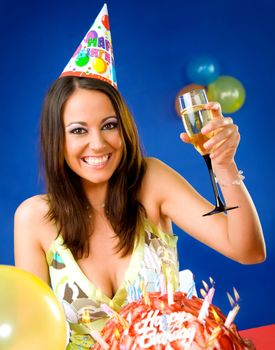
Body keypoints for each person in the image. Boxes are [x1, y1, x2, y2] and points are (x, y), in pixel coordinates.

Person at [14, 75, 265, 349]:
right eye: (78, 130)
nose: (98, 144)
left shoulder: (152, 181)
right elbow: (33, 335)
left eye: (109, 125)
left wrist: (224, 164)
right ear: (56, 138)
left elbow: (248, 250)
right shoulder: (33, 219)